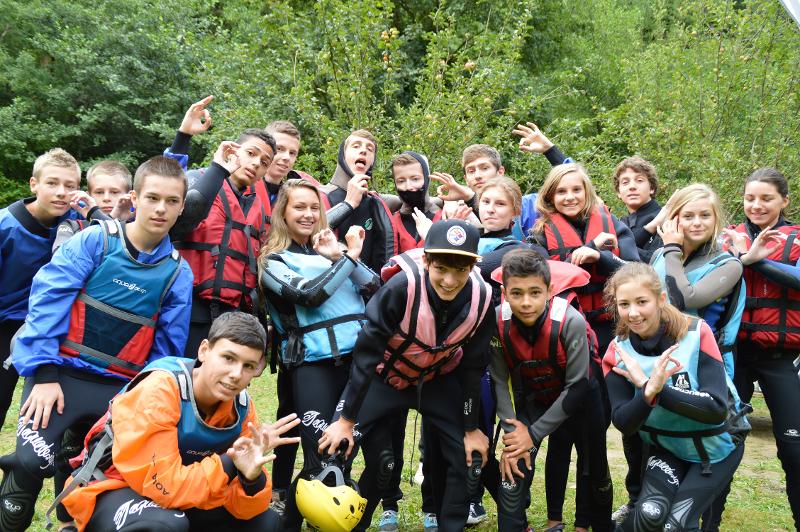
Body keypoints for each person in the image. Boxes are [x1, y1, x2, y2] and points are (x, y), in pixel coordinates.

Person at [0, 156, 193, 532]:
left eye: (172, 201)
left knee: (88, 483)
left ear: (182, 206)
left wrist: (140, 405)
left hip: (119, 392)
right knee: (31, 463)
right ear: (135, 198)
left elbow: (166, 352)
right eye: (153, 198)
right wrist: (42, 373)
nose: (161, 208)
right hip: (59, 379)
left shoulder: (177, 272)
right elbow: (46, 302)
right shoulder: (95, 241)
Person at [319, 219, 494, 532]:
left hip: (437, 380)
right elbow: (367, 355)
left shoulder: (481, 299)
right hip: (387, 378)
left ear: (472, 268)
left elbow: (473, 366)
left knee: (465, 455)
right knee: (337, 447)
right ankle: (348, 522)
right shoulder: (400, 289)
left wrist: (470, 429)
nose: (451, 281)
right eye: (442, 268)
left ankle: (450, 525)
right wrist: (346, 420)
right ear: (426, 260)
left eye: (461, 270)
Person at [60, 312, 301, 531]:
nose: (237, 374)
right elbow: (164, 486)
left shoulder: (241, 407)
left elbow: (246, 506)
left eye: (248, 366)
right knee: (164, 526)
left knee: (266, 523)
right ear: (204, 350)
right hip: (113, 487)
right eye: (228, 358)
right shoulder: (160, 390)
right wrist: (229, 463)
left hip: (185, 494)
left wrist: (251, 479)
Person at [258, 179, 380, 530]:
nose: (309, 214)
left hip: (357, 366)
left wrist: (339, 256)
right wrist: (348, 258)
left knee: (345, 459)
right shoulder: (272, 260)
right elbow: (310, 295)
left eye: (315, 208)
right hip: (313, 368)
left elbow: (375, 288)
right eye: (300, 207)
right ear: (283, 213)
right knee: (322, 462)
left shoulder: (331, 253)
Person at [602, 262, 749, 531]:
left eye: (641, 302)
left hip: (716, 450)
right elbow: (624, 422)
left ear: (660, 299)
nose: (633, 313)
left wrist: (658, 390)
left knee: (675, 525)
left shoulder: (696, 333)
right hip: (668, 449)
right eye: (624, 304)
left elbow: (716, 408)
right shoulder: (617, 353)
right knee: (648, 515)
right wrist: (646, 393)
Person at [492, 249, 612, 532]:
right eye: (517, 293)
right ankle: (541, 523)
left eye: (535, 293)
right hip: (536, 396)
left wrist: (532, 434)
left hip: (584, 398)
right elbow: (499, 381)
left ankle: (590, 525)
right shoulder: (497, 322)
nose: (526, 302)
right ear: (504, 292)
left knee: (593, 466)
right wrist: (513, 435)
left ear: (549, 290)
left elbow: (577, 386)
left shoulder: (571, 321)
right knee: (515, 461)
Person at [712, 167, 800, 529]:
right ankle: (708, 524)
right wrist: (738, 257)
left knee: (794, 450)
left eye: (766, 198)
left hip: (778, 359)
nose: (757, 205)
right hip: (732, 359)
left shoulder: (796, 240)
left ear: (784, 201)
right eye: (750, 198)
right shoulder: (726, 239)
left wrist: (755, 260)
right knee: (721, 445)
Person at [165, 97, 276, 356]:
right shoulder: (199, 180)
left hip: (232, 317)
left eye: (264, 162)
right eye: (251, 153)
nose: (256, 164)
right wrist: (183, 136)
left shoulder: (257, 207)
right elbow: (170, 200)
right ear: (234, 150)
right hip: (188, 308)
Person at [0, 148, 82, 428]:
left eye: (69, 186)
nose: (61, 192)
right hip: (5, 327)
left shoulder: (77, 226)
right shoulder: (5, 227)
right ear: (34, 184)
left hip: (51, 330)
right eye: (52, 183)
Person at [530, 162, 639, 351]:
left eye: (576, 190)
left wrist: (599, 257)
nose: (570, 197)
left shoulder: (612, 224)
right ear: (550, 196)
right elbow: (544, 280)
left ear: (587, 192)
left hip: (615, 325)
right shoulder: (539, 235)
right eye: (561, 191)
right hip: (567, 327)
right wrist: (591, 246)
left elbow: (636, 272)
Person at [650, 183, 744, 379]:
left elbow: (684, 300)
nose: (697, 222)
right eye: (688, 216)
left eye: (705, 215)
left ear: (715, 219)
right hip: (655, 352)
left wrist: (673, 249)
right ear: (674, 219)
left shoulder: (729, 265)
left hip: (702, 359)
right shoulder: (659, 255)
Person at [321, 129, 397, 274]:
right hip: (328, 284)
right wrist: (349, 203)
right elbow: (312, 233)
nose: (363, 150)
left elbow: (416, 199)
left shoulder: (376, 201)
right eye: (356, 146)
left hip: (368, 289)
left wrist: (450, 200)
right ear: (342, 155)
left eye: (370, 149)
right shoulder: (319, 195)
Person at [613, 156, 663, 263]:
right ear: (618, 193)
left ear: (652, 188)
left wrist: (618, 248)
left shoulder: (665, 218)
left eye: (639, 180)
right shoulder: (618, 224)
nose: (632, 186)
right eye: (625, 182)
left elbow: (656, 260)